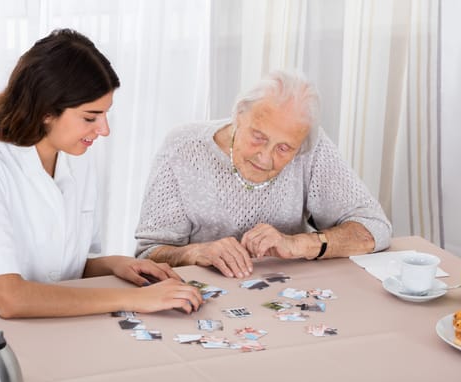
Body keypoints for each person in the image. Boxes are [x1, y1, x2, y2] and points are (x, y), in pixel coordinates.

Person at [0, 29, 202, 318]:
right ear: (46, 111)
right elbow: (11, 299)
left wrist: (114, 265)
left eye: (105, 115)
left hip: (49, 325)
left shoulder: (75, 159)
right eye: (90, 117)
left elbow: (58, 268)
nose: (104, 130)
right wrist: (134, 299)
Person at [135, 70, 392, 279]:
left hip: (289, 294)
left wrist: (298, 245)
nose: (265, 157)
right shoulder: (183, 147)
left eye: (284, 148)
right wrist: (194, 253)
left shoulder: (310, 148)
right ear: (238, 115)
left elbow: (375, 229)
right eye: (258, 137)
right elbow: (148, 253)